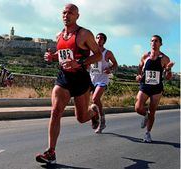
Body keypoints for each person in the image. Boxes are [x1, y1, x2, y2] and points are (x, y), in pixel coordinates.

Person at [35, 3, 102, 164]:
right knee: (55, 111)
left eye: (70, 13)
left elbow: (98, 55)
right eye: (64, 12)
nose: (66, 15)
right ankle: (51, 151)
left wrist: (79, 63)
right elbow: (62, 53)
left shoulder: (84, 34)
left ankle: (93, 112)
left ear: (77, 16)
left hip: (80, 78)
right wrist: (52, 57)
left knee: (81, 118)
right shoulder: (59, 35)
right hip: (64, 77)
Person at [135, 35, 174, 143]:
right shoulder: (145, 56)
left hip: (157, 88)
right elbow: (139, 68)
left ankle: (148, 133)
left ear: (160, 44)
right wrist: (138, 76)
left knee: (152, 111)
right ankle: (145, 115)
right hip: (145, 86)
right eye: (152, 41)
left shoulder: (165, 58)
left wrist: (169, 69)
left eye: (156, 41)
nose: (153, 43)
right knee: (138, 108)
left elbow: (168, 77)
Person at [90, 33, 118, 133]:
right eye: (97, 38)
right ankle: (95, 117)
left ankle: (102, 118)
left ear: (104, 41)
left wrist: (110, 68)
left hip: (102, 80)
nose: (99, 39)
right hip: (91, 79)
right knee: (92, 105)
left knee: (95, 98)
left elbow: (115, 64)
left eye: (101, 38)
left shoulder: (107, 53)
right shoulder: (90, 51)